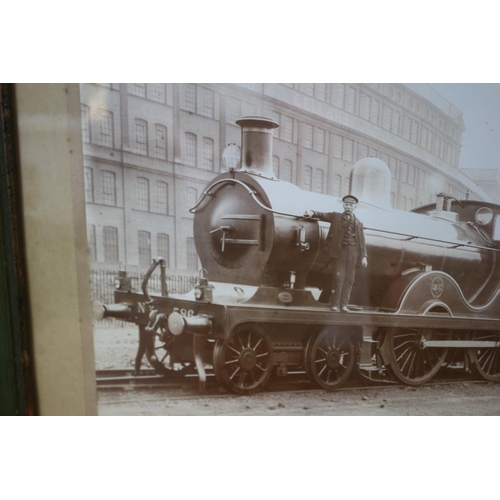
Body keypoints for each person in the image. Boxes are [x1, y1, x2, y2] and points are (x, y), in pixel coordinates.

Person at [304, 195, 367, 312]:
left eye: (351, 205)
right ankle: (335, 305)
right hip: (339, 252)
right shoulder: (336, 216)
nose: (348, 207)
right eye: (347, 204)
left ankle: (344, 305)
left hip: (353, 253)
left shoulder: (359, 223)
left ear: (355, 206)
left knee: (349, 280)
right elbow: (323, 215)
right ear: (343, 205)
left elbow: (362, 241)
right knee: (338, 278)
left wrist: (364, 257)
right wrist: (312, 212)